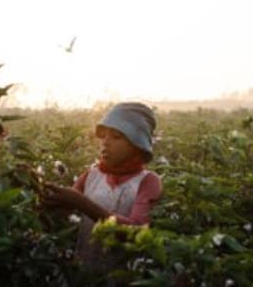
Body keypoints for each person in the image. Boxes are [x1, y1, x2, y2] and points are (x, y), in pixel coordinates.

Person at [43, 102, 163, 275]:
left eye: (116, 137)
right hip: (83, 275)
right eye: (104, 136)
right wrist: (44, 194)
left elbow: (137, 232)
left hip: (123, 278)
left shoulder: (148, 181)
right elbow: (64, 210)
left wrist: (82, 203)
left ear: (136, 144)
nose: (105, 143)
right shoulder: (91, 175)